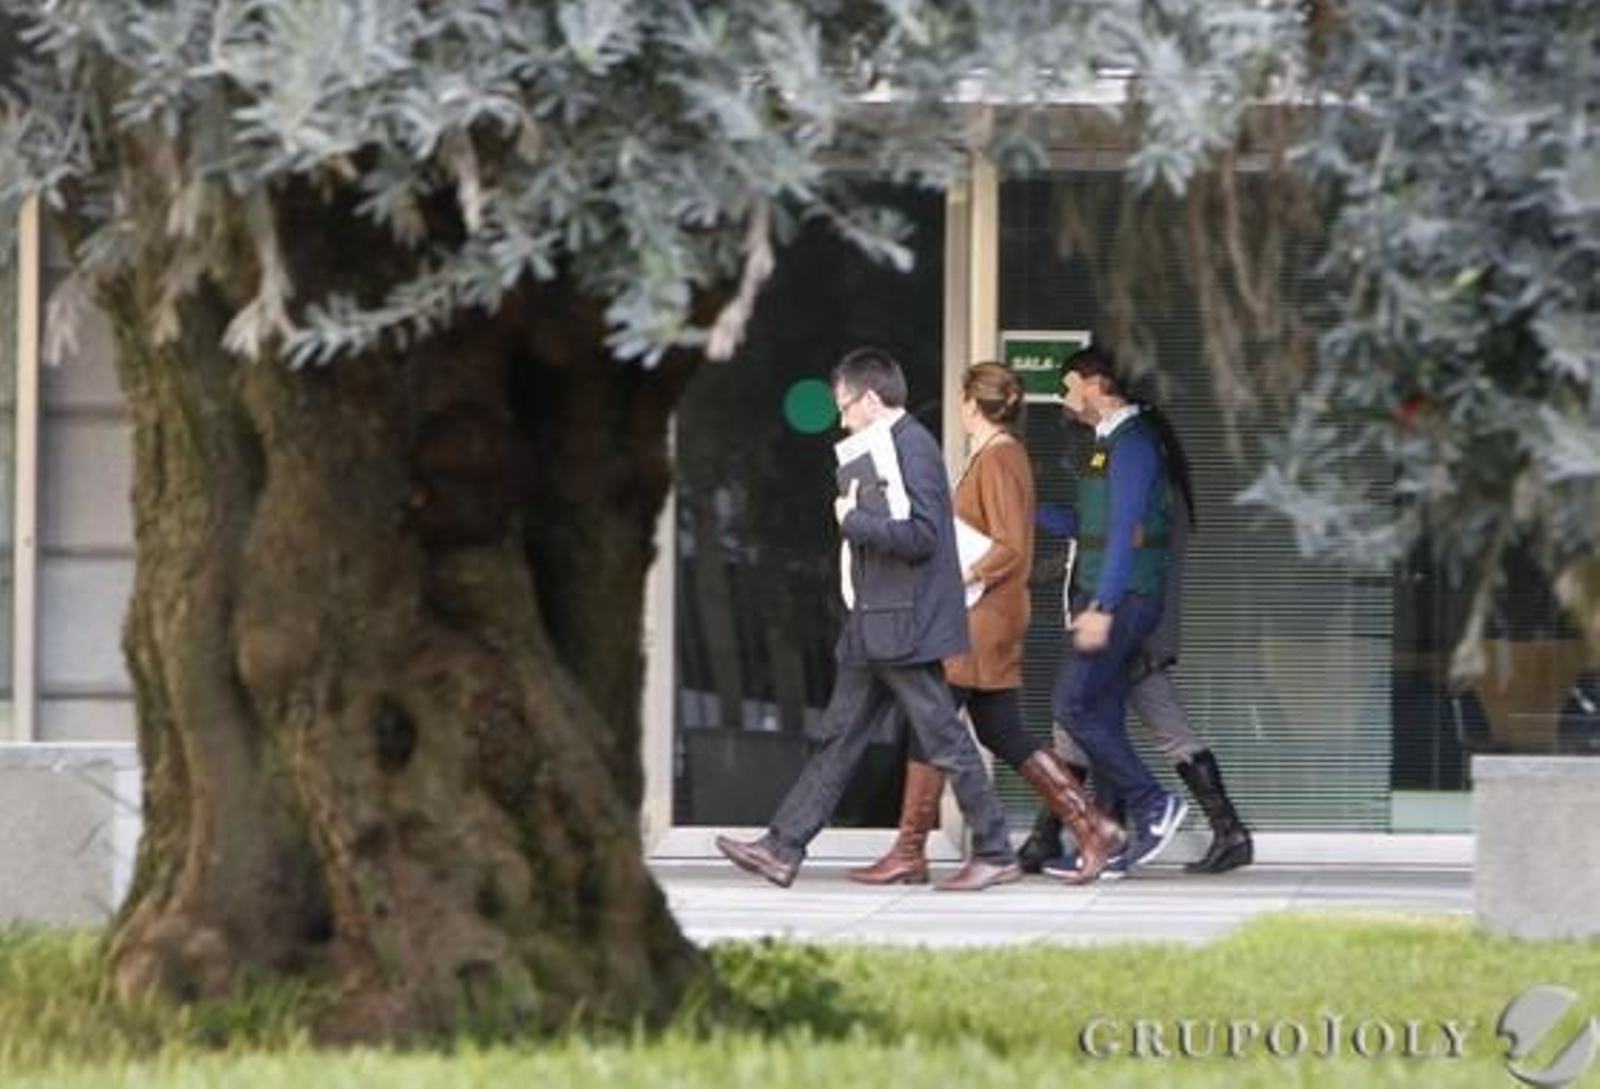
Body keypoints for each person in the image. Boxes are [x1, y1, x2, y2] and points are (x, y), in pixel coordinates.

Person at [716, 347, 1022, 891]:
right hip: (875, 621)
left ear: (873, 399)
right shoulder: (887, 446)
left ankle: (996, 849)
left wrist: (852, 520)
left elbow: (927, 538)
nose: (842, 418)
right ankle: (782, 848)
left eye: (845, 406)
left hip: (902, 625)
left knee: (944, 738)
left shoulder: (914, 448)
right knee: (840, 736)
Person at [847, 361, 1122, 887]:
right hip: (987, 612)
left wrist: (958, 578)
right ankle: (1093, 829)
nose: (959, 408)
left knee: (934, 724)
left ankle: (917, 850)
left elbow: (1010, 546)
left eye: (961, 400)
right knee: (1000, 728)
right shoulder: (1000, 456)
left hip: (980, 614)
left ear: (972, 404)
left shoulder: (998, 458)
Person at [1022, 403, 1255, 877]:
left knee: (1091, 725)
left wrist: (1138, 632)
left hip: (1137, 635)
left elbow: (1149, 574)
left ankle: (1063, 837)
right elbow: (1086, 530)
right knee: (1094, 728)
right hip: (1133, 631)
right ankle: (1065, 837)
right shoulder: (1147, 491)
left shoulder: (1154, 498)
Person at [1045, 343, 1188, 880]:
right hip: (1110, 595)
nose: (1064, 398)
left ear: (1094, 383)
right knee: (1099, 712)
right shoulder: (1106, 445)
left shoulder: (1133, 445)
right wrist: (1021, 509)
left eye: (1067, 386)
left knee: (1073, 704)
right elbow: (1090, 524)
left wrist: (1101, 605)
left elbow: (1127, 530)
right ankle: (1109, 840)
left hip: (1124, 598)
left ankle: (1155, 804)